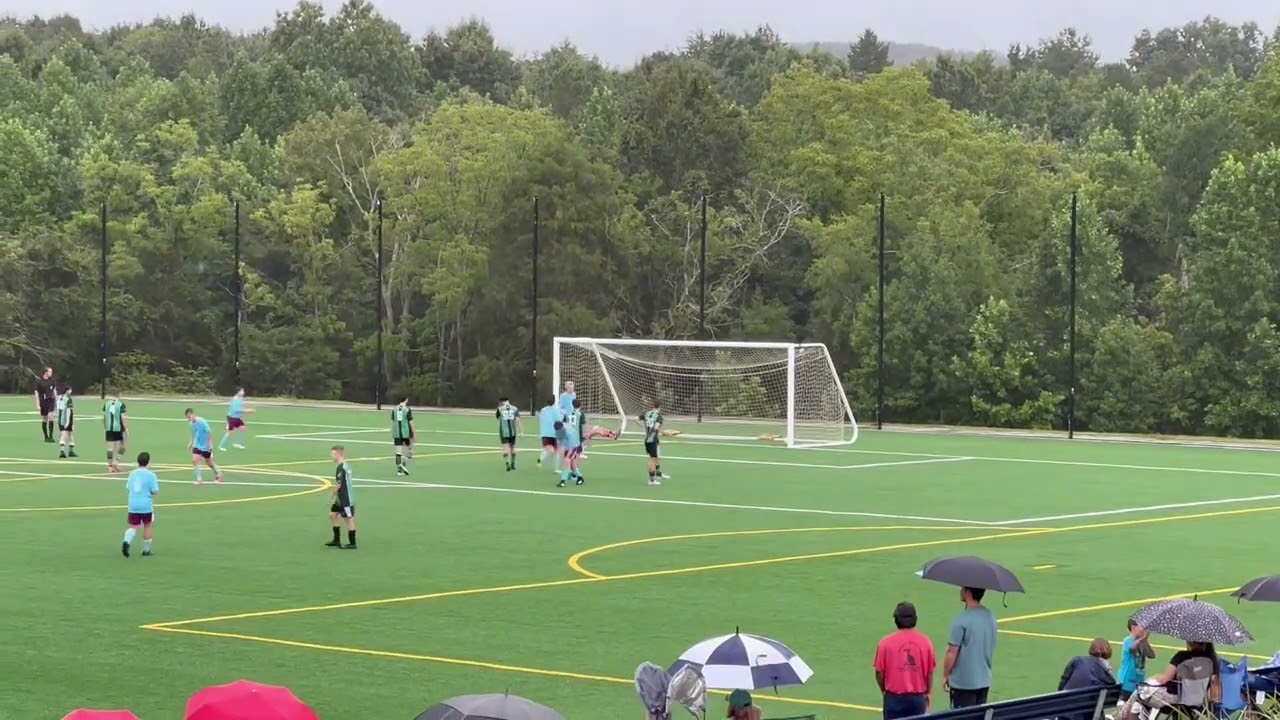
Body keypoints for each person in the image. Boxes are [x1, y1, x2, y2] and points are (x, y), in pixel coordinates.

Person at [875, 602, 936, 719]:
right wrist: (928, 693)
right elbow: (929, 672)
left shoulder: (885, 643)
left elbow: (879, 672)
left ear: (896, 620)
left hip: (893, 699)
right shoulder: (926, 642)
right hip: (917, 699)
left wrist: (884, 690)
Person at [943, 586, 997, 708]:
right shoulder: (990, 617)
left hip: (963, 683)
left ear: (968, 592)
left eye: (963, 588)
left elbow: (952, 651)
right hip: (983, 680)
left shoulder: (961, 620)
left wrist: (946, 675)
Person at [122, 451, 159, 558]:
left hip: (133, 504)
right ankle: (146, 550)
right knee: (148, 525)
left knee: (133, 526)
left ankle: (126, 541)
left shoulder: (132, 474)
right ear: (148, 462)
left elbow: (129, 488)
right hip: (146, 505)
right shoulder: (151, 475)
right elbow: (155, 491)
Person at [326, 445, 357, 549]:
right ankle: (336, 539)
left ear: (338, 454)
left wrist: (332, 495)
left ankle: (352, 543)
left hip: (345, 498)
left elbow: (339, 484)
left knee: (348, 519)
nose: (331, 456)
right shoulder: (345, 465)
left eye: (332, 454)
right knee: (332, 514)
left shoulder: (341, 467)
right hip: (341, 498)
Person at [1118, 619, 1156, 700]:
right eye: (1141, 626)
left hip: (1139, 684)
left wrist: (1145, 641)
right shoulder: (1127, 640)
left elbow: (1152, 655)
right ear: (1133, 627)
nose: (1144, 629)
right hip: (1126, 683)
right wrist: (1142, 639)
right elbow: (1132, 648)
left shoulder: (1142, 642)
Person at [185, 408, 222, 484]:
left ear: (193, 414)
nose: (188, 419)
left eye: (189, 417)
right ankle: (199, 480)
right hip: (197, 445)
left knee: (210, 463)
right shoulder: (191, 423)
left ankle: (219, 474)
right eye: (187, 417)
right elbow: (194, 433)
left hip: (206, 445)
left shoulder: (202, 422)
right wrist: (191, 442)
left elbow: (209, 432)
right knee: (194, 460)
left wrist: (210, 444)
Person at [557, 399, 586, 487]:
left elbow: (564, 426)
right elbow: (583, 427)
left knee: (567, 460)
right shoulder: (580, 414)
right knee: (572, 461)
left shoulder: (567, 414)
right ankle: (580, 477)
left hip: (569, 442)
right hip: (575, 441)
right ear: (580, 406)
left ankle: (563, 481)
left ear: (572, 405)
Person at [640, 401, 669, 486]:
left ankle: (659, 473)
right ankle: (652, 480)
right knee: (652, 460)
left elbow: (636, 419)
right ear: (660, 407)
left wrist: (644, 427)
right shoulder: (659, 417)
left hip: (650, 439)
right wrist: (661, 432)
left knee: (656, 456)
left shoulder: (646, 413)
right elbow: (656, 427)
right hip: (652, 439)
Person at [103, 393, 127, 473]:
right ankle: (117, 461)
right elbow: (123, 417)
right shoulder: (121, 405)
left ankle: (110, 466)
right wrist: (126, 428)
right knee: (123, 445)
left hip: (109, 428)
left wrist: (105, 427)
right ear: (119, 395)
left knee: (110, 448)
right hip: (118, 428)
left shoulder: (106, 404)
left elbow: (104, 417)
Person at [496, 397, 521, 471]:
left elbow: (498, 419)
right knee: (513, 447)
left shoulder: (500, 409)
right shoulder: (515, 408)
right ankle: (513, 464)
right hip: (513, 431)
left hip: (504, 431)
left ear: (502, 402)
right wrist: (520, 431)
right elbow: (518, 420)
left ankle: (507, 463)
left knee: (505, 447)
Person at [391, 398, 414, 476]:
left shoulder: (394, 409)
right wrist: (414, 433)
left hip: (396, 433)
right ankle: (403, 465)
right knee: (408, 450)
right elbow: (410, 423)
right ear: (406, 399)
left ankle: (399, 470)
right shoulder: (407, 410)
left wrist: (393, 432)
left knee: (398, 452)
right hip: (406, 433)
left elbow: (393, 421)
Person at [537, 396, 561, 470]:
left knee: (547, 449)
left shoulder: (543, 410)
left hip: (544, 433)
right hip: (554, 434)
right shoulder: (556, 410)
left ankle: (540, 459)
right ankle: (556, 469)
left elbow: (541, 419)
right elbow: (559, 421)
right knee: (557, 451)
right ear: (554, 401)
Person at [35, 367, 56, 442]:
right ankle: (46, 436)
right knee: (45, 418)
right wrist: (37, 404)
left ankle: (51, 436)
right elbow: (36, 393)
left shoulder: (52, 381)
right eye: (50, 372)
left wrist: (56, 401)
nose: (51, 373)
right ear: (45, 372)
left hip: (51, 401)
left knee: (51, 417)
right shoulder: (39, 381)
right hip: (43, 401)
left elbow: (54, 390)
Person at [56, 386, 77, 458]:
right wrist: (69, 422)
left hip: (60, 419)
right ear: (67, 391)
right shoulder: (69, 400)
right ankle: (63, 451)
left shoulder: (60, 398)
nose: (71, 391)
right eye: (70, 390)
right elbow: (69, 411)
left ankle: (70, 451)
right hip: (67, 419)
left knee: (65, 434)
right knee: (68, 435)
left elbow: (58, 410)